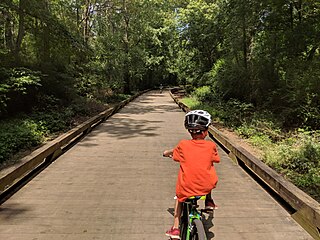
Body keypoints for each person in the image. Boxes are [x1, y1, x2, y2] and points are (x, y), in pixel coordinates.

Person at [163, 110, 220, 239]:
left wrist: (167, 153)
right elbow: (215, 159)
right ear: (206, 131)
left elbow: (175, 153)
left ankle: (176, 227)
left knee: (180, 197)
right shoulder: (211, 146)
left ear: (189, 130)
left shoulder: (183, 145)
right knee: (207, 173)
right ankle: (209, 201)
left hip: (187, 187)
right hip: (207, 186)